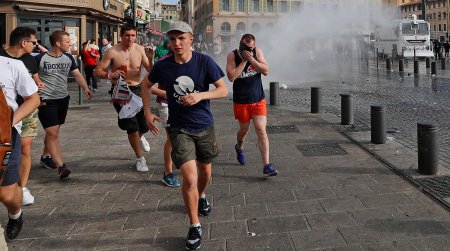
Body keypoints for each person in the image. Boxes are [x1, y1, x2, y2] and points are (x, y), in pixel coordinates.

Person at [141, 21, 228, 250]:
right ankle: (194, 225)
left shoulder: (204, 61)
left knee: (205, 172)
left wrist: (200, 96)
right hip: (178, 127)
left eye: (181, 38)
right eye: (172, 39)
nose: (176, 43)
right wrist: (148, 112)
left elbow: (223, 89)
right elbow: (145, 84)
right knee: (189, 178)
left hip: (204, 125)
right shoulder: (163, 65)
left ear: (191, 39)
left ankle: (201, 196)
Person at [94, 24, 154, 172]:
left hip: (138, 89)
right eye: (127, 35)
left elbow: (151, 71)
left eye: (133, 35)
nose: (131, 38)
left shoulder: (140, 50)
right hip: (120, 91)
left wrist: (151, 59)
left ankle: (140, 137)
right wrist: (109, 75)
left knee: (145, 125)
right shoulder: (112, 51)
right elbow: (97, 71)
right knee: (132, 127)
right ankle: (140, 159)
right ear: (121, 36)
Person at [36, 30, 93, 179]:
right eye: (68, 41)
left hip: (63, 99)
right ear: (58, 43)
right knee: (53, 132)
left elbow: (77, 75)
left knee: (53, 132)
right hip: (46, 100)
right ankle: (61, 166)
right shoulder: (40, 58)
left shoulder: (68, 58)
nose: (70, 44)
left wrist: (86, 88)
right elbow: (30, 77)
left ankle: (45, 156)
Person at [0, 27, 45, 206]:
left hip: (25, 110)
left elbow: (35, 80)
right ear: (23, 42)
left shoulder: (29, 60)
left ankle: (22, 186)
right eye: (34, 42)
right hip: (6, 114)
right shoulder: (4, 58)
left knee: (26, 147)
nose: (36, 46)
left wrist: (38, 84)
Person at [226, 34, 278, 177]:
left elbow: (266, 71)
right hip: (241, 101)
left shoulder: (257, 52)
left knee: (261, 129)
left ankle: (267, 165)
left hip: (258, 99)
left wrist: (252, 59)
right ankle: (239, 146)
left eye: (250, 47)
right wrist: (243, 61)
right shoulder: (232, 56)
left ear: (254, 46)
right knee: (244, 130)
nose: (248, 49)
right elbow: (231, 77)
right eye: (245, 47)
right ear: (240, 44)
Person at [0, 53, 40, 239]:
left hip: (5, 136)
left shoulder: (12, 65)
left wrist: (9, 123)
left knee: (6, 193)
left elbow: (33, 99)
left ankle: (15, 215)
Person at [148, 48, 180, 187]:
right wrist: (167, 94)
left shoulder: (190, 59)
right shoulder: (163, 62)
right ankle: (167, 173)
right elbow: (147, 85)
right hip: (166, 104)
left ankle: (180, 160)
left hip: (184, 103)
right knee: (172, 138)